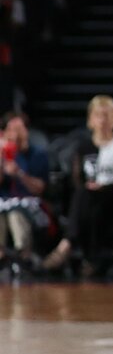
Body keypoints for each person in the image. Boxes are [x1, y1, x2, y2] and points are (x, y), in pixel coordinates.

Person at [64, 95, 113, 275]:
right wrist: (90, 187)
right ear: (90, 120)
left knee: (89, 198)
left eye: (107, 115)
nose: (103, 120)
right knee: (85, 196)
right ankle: (90, 258)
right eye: (98, 115)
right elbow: (77, 179)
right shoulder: (83, 147)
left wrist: (104, 186)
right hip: (89, 197)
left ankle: (69, 244)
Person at [0, 112, 50, 274]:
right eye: (11, 129)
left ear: (27, 131)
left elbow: (40, 188)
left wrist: (19, 174)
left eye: (19, 129)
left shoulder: (38, 155)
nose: (15, 134)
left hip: (30, 204)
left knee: (16, 215)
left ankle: (23, 256)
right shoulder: (3, 155)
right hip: (4, 203)